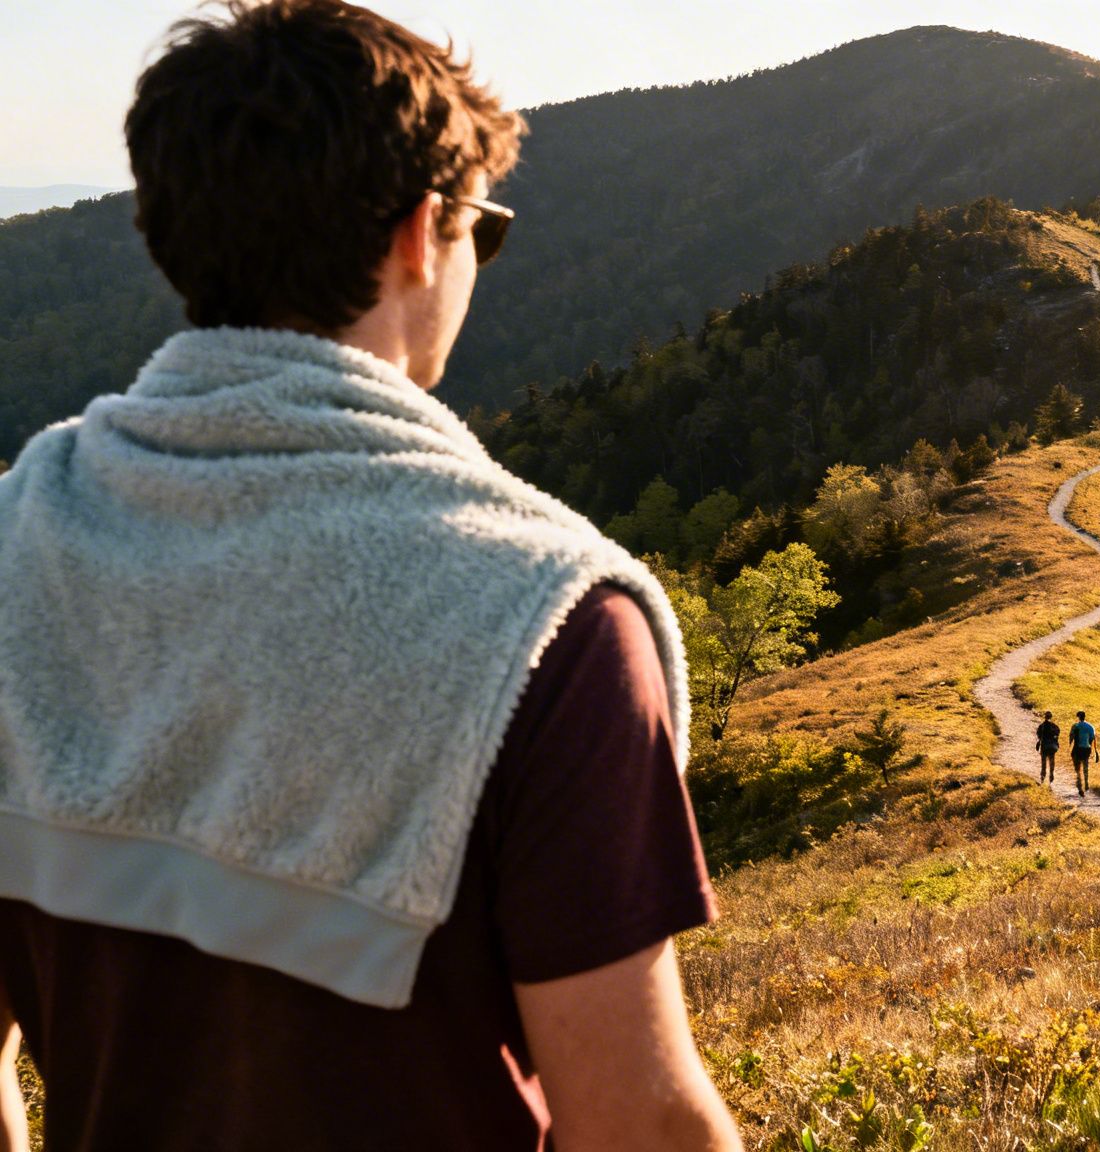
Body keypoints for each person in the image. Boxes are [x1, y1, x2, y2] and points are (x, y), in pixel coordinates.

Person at [0, 4, 740, 1150]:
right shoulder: (544, 620)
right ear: (417, 233)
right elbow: (635, 1124)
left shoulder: (21, 538)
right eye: (479, 232)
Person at [1069, 711, 1098, 795]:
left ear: (1078, 717)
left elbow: (1071, 738)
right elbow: (1092, 738)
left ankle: (1080, 785)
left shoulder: (1075, 726)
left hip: (1077, 749)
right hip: (1086, 749)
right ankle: (1086, 783)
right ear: (1085, 717)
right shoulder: (1090, 727)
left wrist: (1070, 745)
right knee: (1085, 766)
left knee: (1077, 768)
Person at [1035, 710, 1062, 784]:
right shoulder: (1054, 726)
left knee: (1043, 763)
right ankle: (1051, 775)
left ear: (1045, 717)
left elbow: (1039, 735)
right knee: (1052, 762)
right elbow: (1057, 733)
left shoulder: (1042, 726)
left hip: (1044, 747)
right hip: (1052, 747)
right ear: (1051, 717)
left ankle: (1042, 778)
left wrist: (1039, 742)